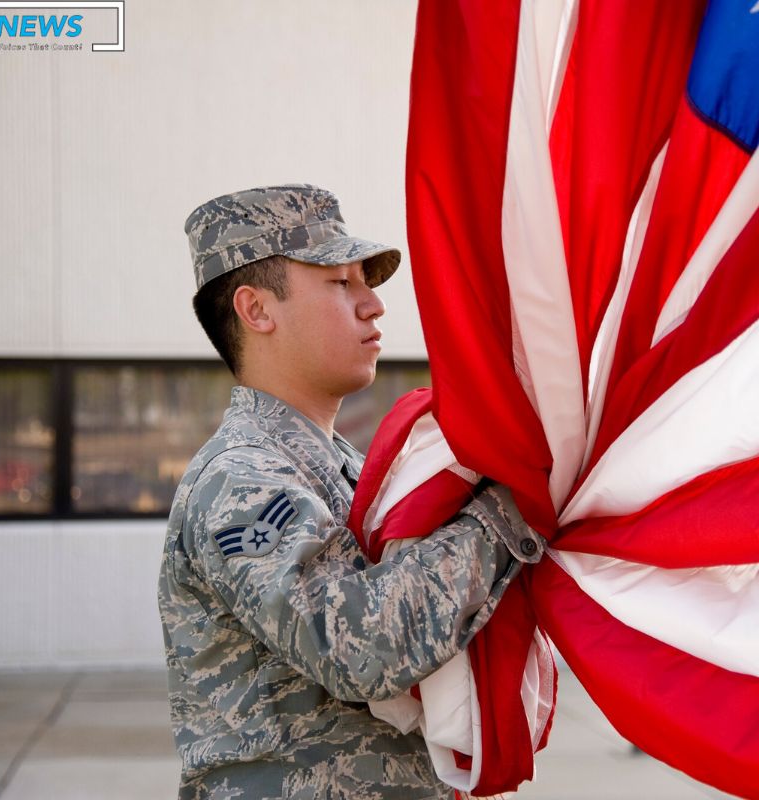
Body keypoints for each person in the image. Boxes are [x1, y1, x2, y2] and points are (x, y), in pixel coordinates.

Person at [158, 184, 543, 799]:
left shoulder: (343, 467)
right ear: (257, 311)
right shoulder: (241, 476)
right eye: (342, 284)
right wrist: (507, 516)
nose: (374, 306)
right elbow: (358, 645)